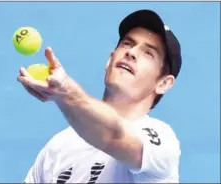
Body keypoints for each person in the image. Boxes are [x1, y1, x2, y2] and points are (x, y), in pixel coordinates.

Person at [18, 9, 182, 183]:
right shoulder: (57, 147)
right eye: (127, 43)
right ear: (109, 60)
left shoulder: (162, 141)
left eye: (149, 53)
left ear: (163, 83)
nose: (131, 52)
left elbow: (112, 136)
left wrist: (65, 91)